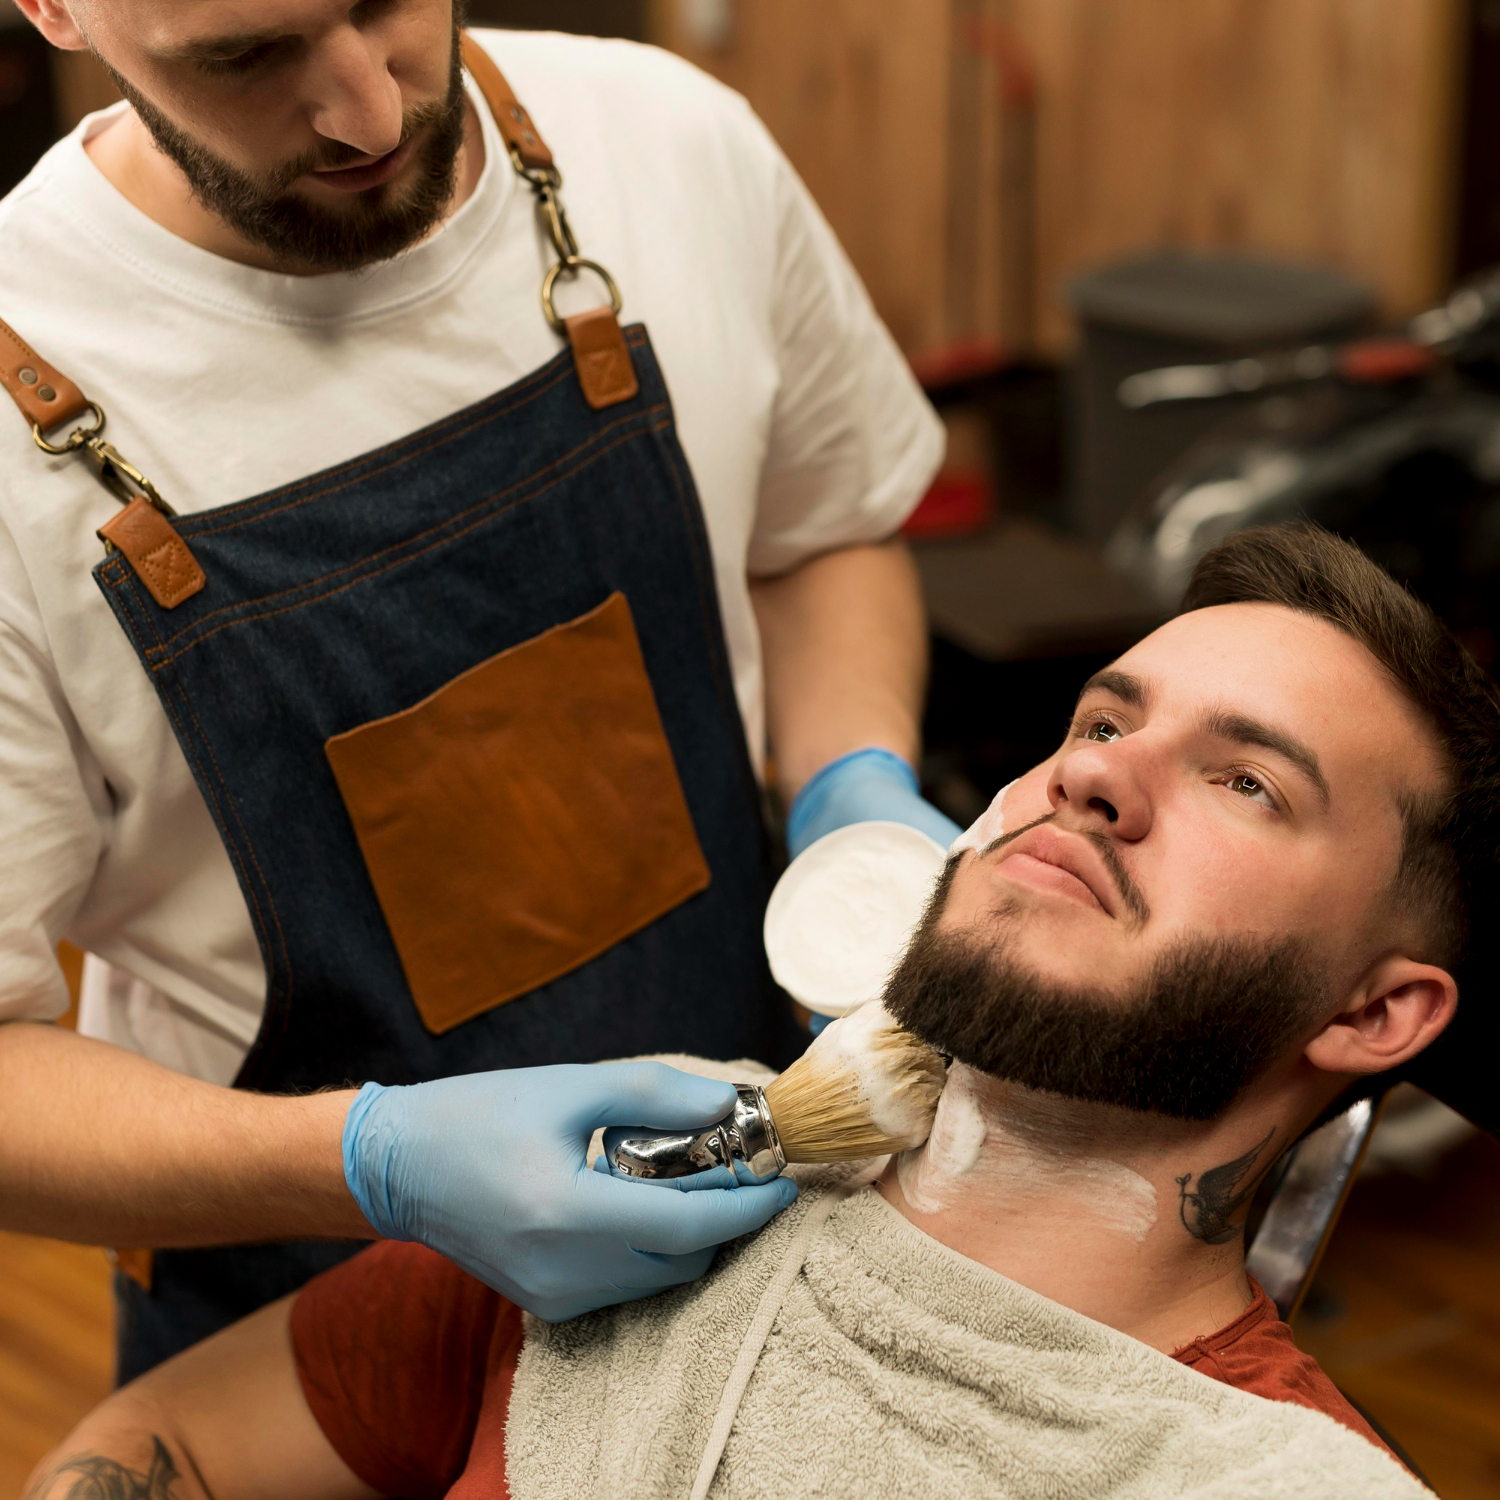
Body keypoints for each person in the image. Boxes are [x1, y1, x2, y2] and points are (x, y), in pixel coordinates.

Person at [28, 524, 1496, 1498]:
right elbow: (160, 1446)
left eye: (1246, 781)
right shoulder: (621, 1215)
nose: (1094, 773)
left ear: (1378, 1014)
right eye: (1105, 721)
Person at [0, 1, 964, 1378]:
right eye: (248, 55)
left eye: (386, 1)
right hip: (315, 1328)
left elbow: (822, 530)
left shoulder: (667, 143)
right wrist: (369, 1165)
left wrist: (851, 784)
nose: (371, 112)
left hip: (774, 1221)